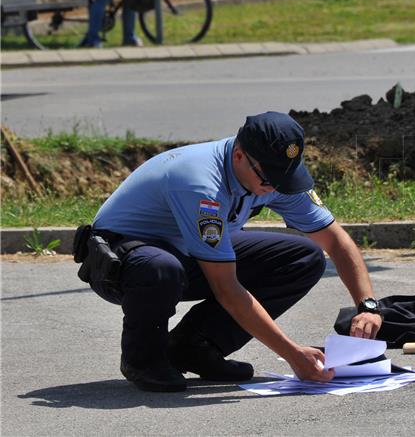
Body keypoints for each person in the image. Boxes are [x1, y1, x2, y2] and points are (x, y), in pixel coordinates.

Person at [82, 111, 383, 392]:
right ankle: (143, 359)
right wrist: (293, 354)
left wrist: (367, 305)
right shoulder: (201, 184)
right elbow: (227, 288)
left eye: (285, 177)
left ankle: (195, 347)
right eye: (268, 179)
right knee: (160, 269)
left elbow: (335, 241)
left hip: (183, 250)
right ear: (239, 155)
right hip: (124, 261)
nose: (274, 187)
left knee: (302, 258)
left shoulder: (273, 173)